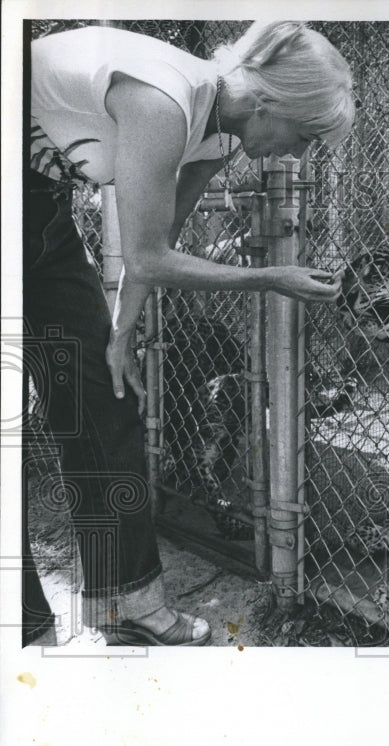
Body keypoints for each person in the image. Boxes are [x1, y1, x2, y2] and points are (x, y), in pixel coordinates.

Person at [24, 21, 354, 646]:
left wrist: (120, 334)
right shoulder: (163, 99)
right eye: (306, 135)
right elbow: (147, 258)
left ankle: (126, 606)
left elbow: (161, 237)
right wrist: (272, 277)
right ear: (270, 103)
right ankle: (24, 634)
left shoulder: (219, 131)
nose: (298, 155)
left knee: (105, 399)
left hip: (40, 210)